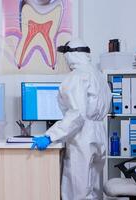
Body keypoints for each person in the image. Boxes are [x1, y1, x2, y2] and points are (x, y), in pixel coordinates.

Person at [31, 38, 112, 199]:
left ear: (71, 55)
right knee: (94, 189)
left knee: (78, 191)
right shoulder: (98, 75)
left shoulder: (77, 77)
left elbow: (76, 114)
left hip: (82, 136)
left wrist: (50, 136)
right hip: (99, 133)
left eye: (65, 54)